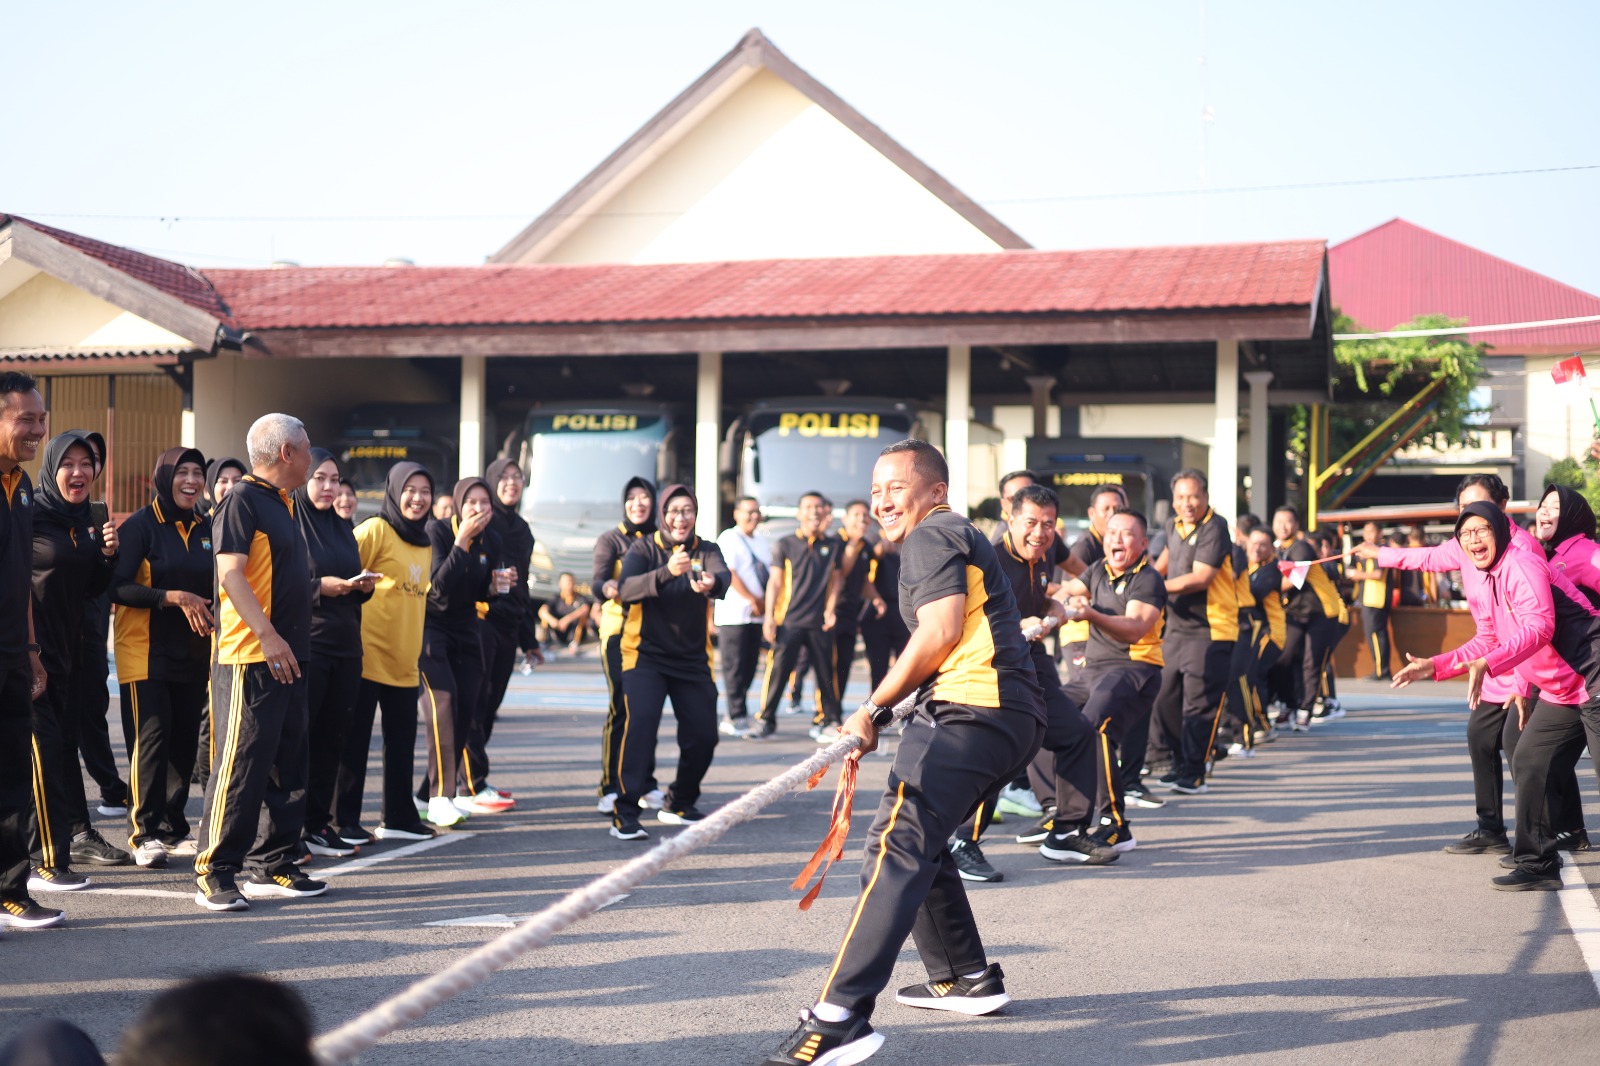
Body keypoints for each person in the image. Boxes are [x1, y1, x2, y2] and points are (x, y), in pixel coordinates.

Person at [762, 440, 1044, 1066]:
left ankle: (840, 1017)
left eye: (896, 485)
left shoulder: (933, 533)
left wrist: (872, 707)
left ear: (936, 491)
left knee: (896, 843)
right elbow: (939, 635)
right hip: (1002, 715)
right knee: (924, 840)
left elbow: (939, 634)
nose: (881, 498)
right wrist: (883, 707)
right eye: (876, 487)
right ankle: (963, 974)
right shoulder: (946, 536)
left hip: (972, 710)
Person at [1391, 502, 1600, 890]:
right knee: (1529, 758)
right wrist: (1436, 666)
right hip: (1561, 688)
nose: (1473, 539)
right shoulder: (1491, 578)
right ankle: (1537, 865)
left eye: (1482, 530)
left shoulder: (1521, 564)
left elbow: (1539, 626)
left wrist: (1494, 665)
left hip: (1592, 674)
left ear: (1501, 531)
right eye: (1465, 533)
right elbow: (1491, 639)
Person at [1354, 474, 1556, 855]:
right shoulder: (1468, 544)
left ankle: (1546, 843)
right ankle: (1491, 829)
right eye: (1463, 511)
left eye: (1481, 511)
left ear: (1503, 505)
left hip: (1530, 664)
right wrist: (1380, 554)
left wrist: (1519, 683)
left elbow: (1538, 628)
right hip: (1492, 661)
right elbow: (1428, 560)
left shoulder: (1522, 553)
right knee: (1480, 736)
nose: (1472, 524)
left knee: (1524, 750)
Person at [195, 413, 322, 912]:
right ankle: (213, 868)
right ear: (286, 453)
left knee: (288, 762)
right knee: (241, 764)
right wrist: (268, 636)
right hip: (253, 655)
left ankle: (276, 861)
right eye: (307, 447)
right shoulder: (241, 500)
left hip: (292, 654)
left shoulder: (284, 503)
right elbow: (230, 574)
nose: (313, 456)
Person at [964, 484, 1114, 874]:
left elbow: (1039, 597)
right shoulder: (989, 561)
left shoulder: (1043, 556)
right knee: (1005, 749)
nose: (1039, 532)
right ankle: (963, 841)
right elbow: (967, 623)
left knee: (1078, 734)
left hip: (1033, 661)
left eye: (1048, 524)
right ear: (1010, 521)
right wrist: (1018, 624)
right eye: (1030, 522)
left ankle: (1066, 831)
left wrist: (1053, 606)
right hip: (993, 666)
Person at [27, 431, 126, 892]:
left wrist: (106, 556)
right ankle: (45, 860)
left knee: (61, 749)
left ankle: (68, 841)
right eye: (69, 463)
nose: (80, 471)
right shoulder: (30, 514)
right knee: (41, 753)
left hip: (67, 654)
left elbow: (92, 590)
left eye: (87, 463)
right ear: (51, 467)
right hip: (27, 655)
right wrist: (26, 650)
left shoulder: (86, 519)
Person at [110, 447, 214, 870]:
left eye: (198, 473)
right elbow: (116, 587)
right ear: (164, 476)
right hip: (144, 652)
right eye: (182, 472)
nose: (191, 480)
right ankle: (143, 833)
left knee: (184, 743)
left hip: (193, 651)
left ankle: (173, 830)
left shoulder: (207, 527)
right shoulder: (140, 526)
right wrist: (172, 597)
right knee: (152, 741)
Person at [607, 484, 730, 839]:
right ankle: (625, 810)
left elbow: (723, 575)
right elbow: (625, 589)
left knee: (704, 734)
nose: (681, 518)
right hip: (645, 656)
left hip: (691, 660)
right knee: (641, 726)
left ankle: (679, 800)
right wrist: (667, 573)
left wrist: (712, 581)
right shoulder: (643, 549)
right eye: (674, 511)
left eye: (687, 510)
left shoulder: (705, 549)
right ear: (663, 514)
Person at [1050, 508, 1167, 855]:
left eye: (1127, 533)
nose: (1116, 538)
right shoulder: (1098, 569)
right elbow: (1067, 591)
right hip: (1093, 671)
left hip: (1135, 668)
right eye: (1112, 532)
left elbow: (1135, 628)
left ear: (1143, 543)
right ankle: (1056, 811)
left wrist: (1090, 613)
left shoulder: (1148, 579)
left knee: (1095, 728)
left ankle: (1115, 824)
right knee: (1041, 715)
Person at [334, 462, 438, 845]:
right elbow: (338, 564)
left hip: (404, 660)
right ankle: (342, 820)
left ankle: (398, 816)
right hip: (366, 655)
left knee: (401, 743)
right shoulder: (376, 529)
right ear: (394, 491)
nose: (418, 498)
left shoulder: (424, 542)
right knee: (354, 743)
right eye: (410, 489)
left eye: (425, 491)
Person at [0, 372, 65, 932]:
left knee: (13, 775)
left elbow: (19, 581)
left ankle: (11, 890)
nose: (39, 431)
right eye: (27, 419)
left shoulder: (20, 488)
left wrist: (30, 650)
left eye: (41, 420)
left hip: (11, 658)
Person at [294, 449, 377, 858]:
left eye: (335, 480)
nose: (329, 488)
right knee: (300, 739)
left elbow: (350, 575)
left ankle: (317, 823)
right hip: (310, 644)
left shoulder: (343, 526)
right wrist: (318, 588)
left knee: (333, 738)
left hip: (347, 644)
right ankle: (289, 828)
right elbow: (278, 583)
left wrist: (363, 586)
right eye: (320, 479)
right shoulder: (291, 523)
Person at [416, 477, 510, 825]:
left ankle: (426, 792)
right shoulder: (437, 532)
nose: (478, 509)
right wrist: (461, 542)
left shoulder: (494, 539)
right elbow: (438, 589)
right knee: (444, 707)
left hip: (467, 628)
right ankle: (442, 796)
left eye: (484, 502)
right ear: (458, 504)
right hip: (432, 628)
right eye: (471, 502)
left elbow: (482, 591)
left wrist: (497, 588)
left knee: (467, 710)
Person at [1146, 469, 1236, 794]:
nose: (1188, 504)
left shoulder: (1215, 526)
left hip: (1212, 628)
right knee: (1163, 695)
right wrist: (1145, 580)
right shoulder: (1173, 525)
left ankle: (1195, 771)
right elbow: (1165, 561)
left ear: (1206, 497)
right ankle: (1178, 762)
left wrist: (1155, 589)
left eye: (1194, 496)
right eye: (1181, 497)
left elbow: (1200, 578)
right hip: (1177, 628)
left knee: (1199, 704)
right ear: (1173, 501)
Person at [592, 478, 661, 813]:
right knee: (623, 706)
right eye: (631, 497)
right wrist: (607, 587)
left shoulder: (661, 539)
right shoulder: (611, 539)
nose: (638, 503)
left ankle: (645, 783)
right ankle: (609, 785)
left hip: (656, 634)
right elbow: (598, 579)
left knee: (647, 711)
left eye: (644, 496)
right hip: (619, 631)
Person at [753, 492, 843, 741]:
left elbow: (836, 582)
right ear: (799, 513)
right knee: (778, 671)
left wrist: (830, 609)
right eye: (808, 507)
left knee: (826, 672)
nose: (814, 512)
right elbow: (775, 583)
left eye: (819, 507)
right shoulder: (785, 543)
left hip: (819, 623)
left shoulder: (834, 545)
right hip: (788, 621)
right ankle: (766, 720)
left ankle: (827, 720)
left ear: (826, 513)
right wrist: (770, 617)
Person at [480, 457, 538, 799]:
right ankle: (469, 781)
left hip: (510, 624)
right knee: (475, 703)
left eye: (517, 477)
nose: (511, 483)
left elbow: (523, 587)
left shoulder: (523, 529)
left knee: (490, 707)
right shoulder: (483, 522)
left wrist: (529, 638)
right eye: (504, 477)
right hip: (482, 619)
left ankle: (465, 779)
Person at [1272, 505, 1342, 732]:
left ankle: (1305, 710)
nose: (1283, 526)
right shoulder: (1277, 549)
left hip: (1322, 611)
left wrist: (1263, 590)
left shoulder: (1301, 547)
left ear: (1296, 525)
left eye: (1288, 521)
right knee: (1283, 657)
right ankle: (1288, 705)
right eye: (1278, 521)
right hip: (1294, 613)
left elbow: (1294, 580)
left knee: (1311, 663)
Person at [715, 496, 771, 736]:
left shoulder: (761, 539)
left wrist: (765, 603)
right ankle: (734, 715)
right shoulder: (728, 537)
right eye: (748, 512)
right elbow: (731, 572)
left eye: (756, 511)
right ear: (736, 514)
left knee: (749, 666)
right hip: (734, 614)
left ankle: (738, 712)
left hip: (757, 616)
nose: (753, 516)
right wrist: (752, 599)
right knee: (734, 667)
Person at [824, 500, 888, 707]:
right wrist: (853, 544)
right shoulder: (835, 543)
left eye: (865, 516)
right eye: (856, 515)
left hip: (852, 614)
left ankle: (835, 711)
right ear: (844, 519)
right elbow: (841, 573)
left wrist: (876, 599)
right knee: (828, 667)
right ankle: (824, 715)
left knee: (844, 665)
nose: (862, 520)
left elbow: (862, 580)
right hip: (831, 613)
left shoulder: (865, 546)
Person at [1537, 484, 1600, 606]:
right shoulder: (1542, 553)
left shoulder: (1587, 552)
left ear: (1572, 515)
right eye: (1543, 506)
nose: (1544, 511)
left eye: (1555, 507)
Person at [1349, 521, 1395, 680]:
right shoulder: (1366, 552)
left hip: (1376, 598)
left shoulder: (1380, 551)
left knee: (1375, 634)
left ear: (1380, 533)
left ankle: (1381, 670)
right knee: (1375, 634)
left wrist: (1357, 575)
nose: (1368, 535)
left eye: (1371, 531)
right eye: (1365, 532)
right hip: (1368, 598)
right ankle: (1381, 669)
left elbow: (1377, 574)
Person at [538, 572, 592, 655]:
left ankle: (574, 643)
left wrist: (567, 619)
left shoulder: (579, 598)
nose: (569, 584)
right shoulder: (556, 598)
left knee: (582, 616)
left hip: (574, 631)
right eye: (566, 582)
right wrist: (553, 621)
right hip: (559, 630)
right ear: (560, 584)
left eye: (571, 582)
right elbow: (542, 611)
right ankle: (544, 641)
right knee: (545, 617)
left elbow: (585, 609)